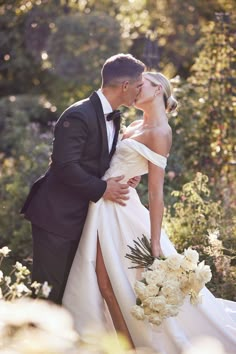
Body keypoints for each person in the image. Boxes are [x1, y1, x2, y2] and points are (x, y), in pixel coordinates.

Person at [62, 72, 236, 353]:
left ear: (157, 91)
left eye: (141, 85)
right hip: (106, 203)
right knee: (105, 281)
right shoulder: (134, 124)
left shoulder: (160, 133)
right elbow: (125, 162)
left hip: (120, 212)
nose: (134, 89)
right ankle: (124, 344)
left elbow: (157, 194)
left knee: (108, 281)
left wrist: (155, 243)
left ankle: (130, 346)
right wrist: (132, 175)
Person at [20, 53, 145, 305]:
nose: (140, 92)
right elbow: (65, 166)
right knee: (48, 294)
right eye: (139, 86)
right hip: (57, 216)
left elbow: (97, 160)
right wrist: (103, 188)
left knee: (69, 293)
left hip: (83, 217)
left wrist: (125, 177)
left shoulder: (113, 116)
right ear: (125, 86)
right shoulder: (79, 114)